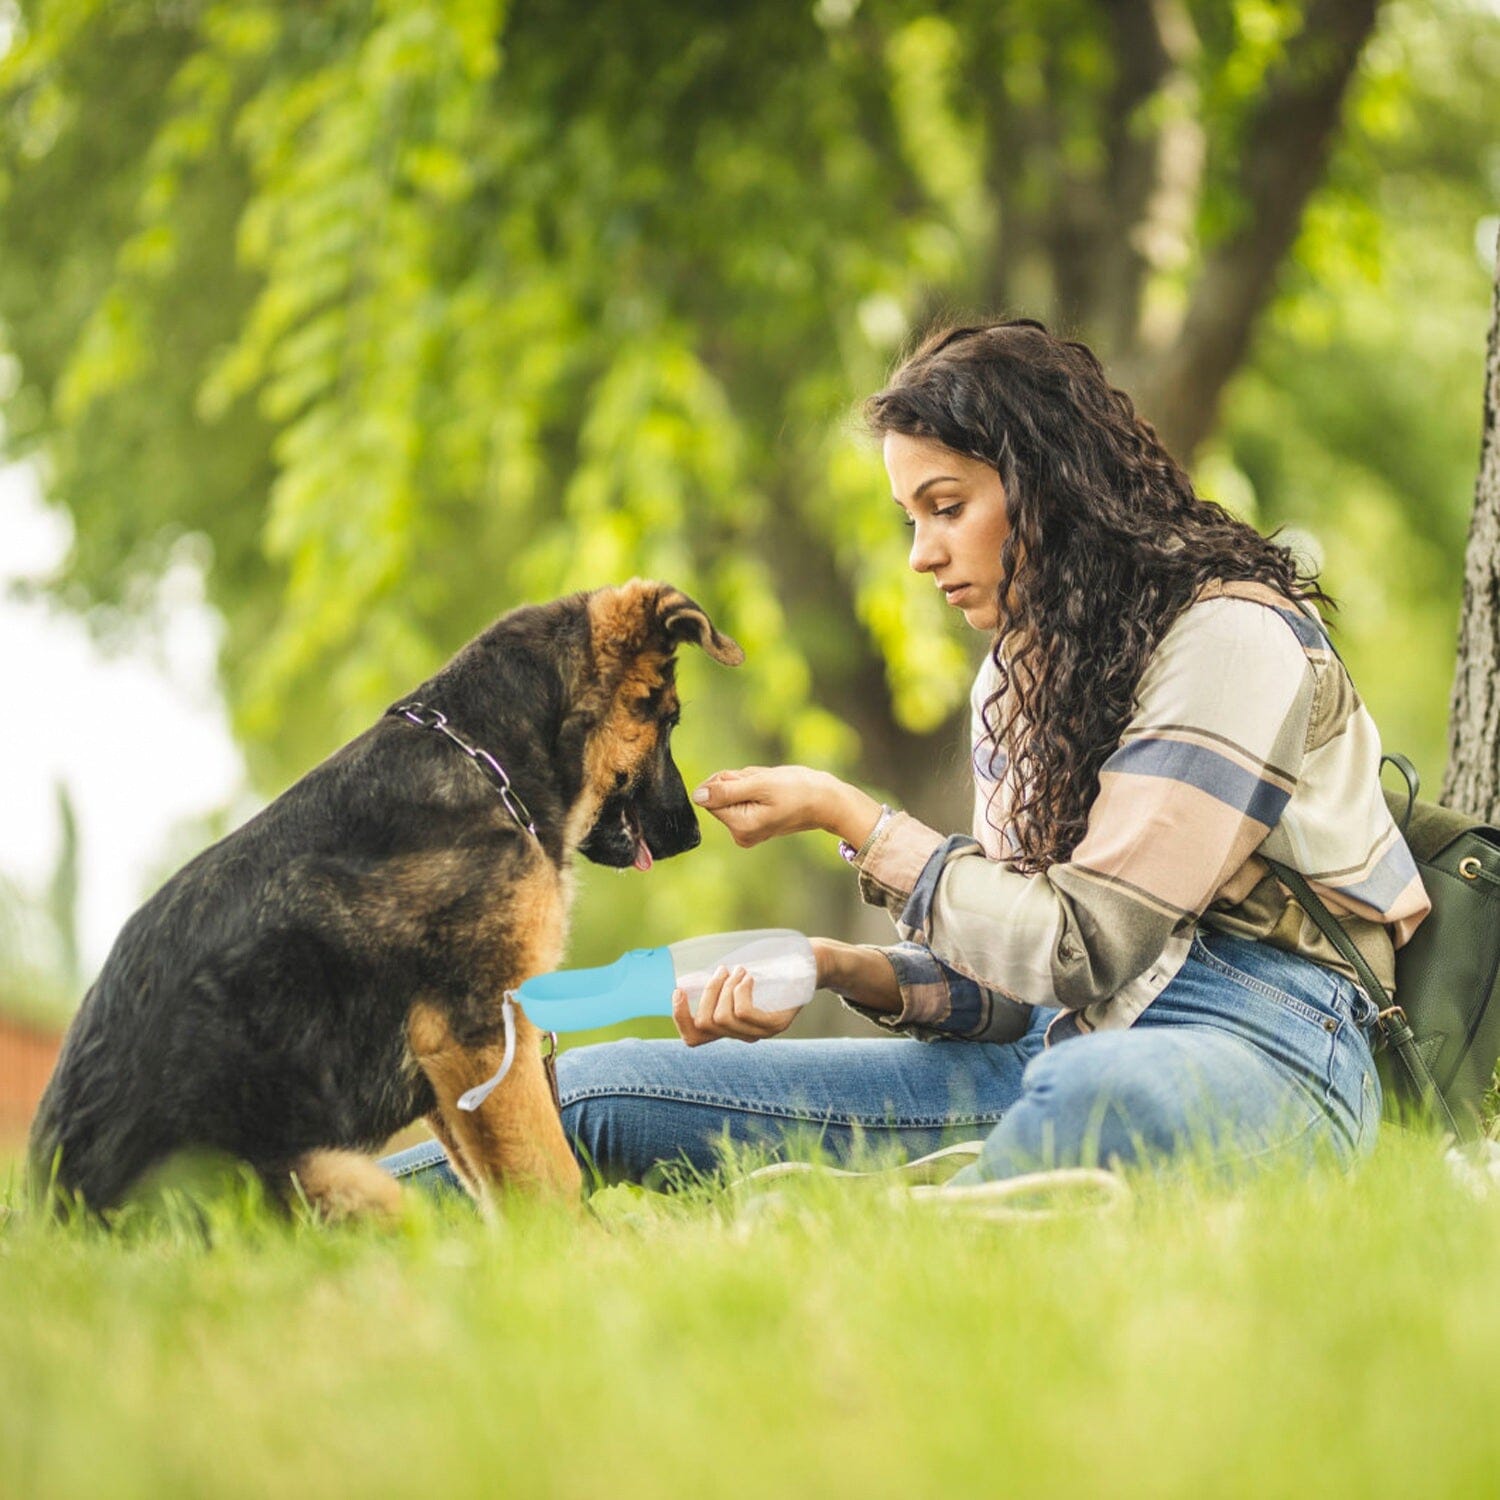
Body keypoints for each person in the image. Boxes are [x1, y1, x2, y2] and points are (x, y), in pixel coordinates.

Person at [383, 318, 1430, 1197]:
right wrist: (837, 971)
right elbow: (1021, 993)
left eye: (947, 508)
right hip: (1051, 1052)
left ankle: (898, 1222)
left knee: (1097, 1102)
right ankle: (275, 1200)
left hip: (1270, 1042)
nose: (922, 554)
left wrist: (859, 822)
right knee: (603, 1095)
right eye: (910, 517)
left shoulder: (1232, 640)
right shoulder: (1017, 682)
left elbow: (1084, 946)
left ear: (1054, 488)